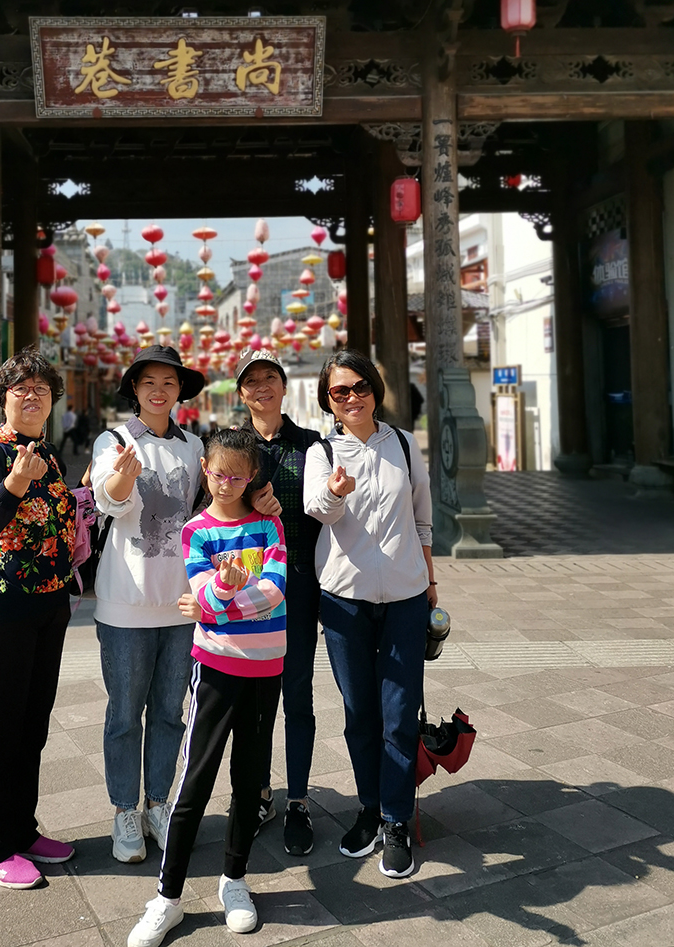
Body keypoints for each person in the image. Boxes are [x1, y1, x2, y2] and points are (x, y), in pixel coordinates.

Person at [128, 427, 286, 947]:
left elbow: (276, 591)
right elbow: (203, 592)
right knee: (194, 781)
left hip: (266, 668)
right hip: (216, 668)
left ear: (252, 476)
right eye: (218, 473)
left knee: (249, 780)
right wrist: (222, 591)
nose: (226, 483)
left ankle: (234, 880)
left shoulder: (269, 525)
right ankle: (167, 897)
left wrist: (218, 608)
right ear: (205, 470)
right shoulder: (196, 530)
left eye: (237, 477)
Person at [303, 348, 436, 880]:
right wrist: (335, 492)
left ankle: (396, 819)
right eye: (340, 391)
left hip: (405, 595)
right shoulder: (321, 451)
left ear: (375, 390)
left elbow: (422, 515)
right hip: (343, 598)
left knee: (399, 714)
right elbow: (317, 508)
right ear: (327, 400)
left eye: (360, 387)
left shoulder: (403, 443)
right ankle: (369, 808)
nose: (352, 397)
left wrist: (429, 580)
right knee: (360, 711)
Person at [0, 346, 82, 890]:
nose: (32, 397)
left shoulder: (48, 452)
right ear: (3, 398)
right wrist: (14, 483)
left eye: (42, 390)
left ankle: (23, 831)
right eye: (21, 389)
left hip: (47, 607)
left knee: (32, 727)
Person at [91, 345, 205, 866]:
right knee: (124, 715)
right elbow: (109, 500)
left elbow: (208, 510)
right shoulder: (114, 441)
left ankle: (158, 803)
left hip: (181, 605)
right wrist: (124, 474)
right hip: (126, 604)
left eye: (169, 382)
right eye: (149, 382)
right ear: (134, 390)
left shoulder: (193, 446)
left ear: (179, 391)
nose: (159, 390)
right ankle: (124, 810)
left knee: (169, 713)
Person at [234, 347, 322, 856]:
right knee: (255, 700)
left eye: (270, 377)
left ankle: (299, 799)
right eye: (252, 380)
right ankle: (260, 792)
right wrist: (249, 501)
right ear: (241, 393)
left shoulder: (312, 445)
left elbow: (326, 511)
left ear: (285, 386)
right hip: (250, 589)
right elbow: (213, 505)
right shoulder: (232, 446)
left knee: (298, 695)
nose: (262, 387)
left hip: (302, 585)